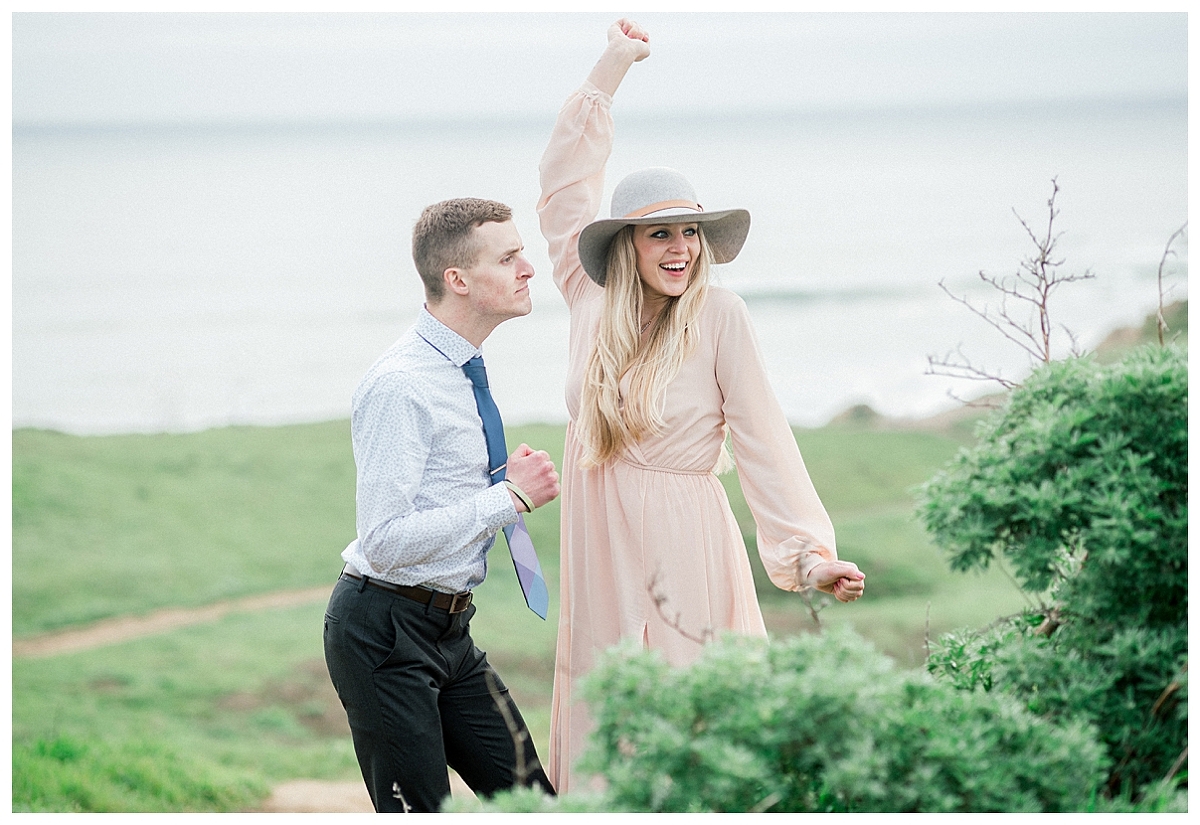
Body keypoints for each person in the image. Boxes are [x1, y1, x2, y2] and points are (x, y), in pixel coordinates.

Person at [537, 19, 867, 792]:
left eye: (690, 232)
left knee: (694, 728)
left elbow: (762, 441)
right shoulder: (587, 297)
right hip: (599, 547)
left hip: (686, 544)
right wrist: (611, 67)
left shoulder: (722, 318)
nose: (682, 248)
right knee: (608, 715)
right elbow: (561, 186)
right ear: (626, 243)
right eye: (661, 234)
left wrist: (809, 556)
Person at [323, 198, 560, 812]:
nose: (529, 269)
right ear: (458, 280)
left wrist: (497, 486)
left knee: (534, 804)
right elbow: (385, 540)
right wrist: (507, 498)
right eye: (508, 258)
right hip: (382, 630)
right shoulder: (402, 384)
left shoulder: (459, 371)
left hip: (450, 629)